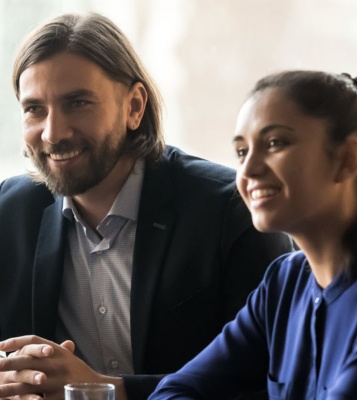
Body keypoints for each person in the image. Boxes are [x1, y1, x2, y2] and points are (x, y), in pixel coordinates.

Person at [0, 13, 293, 400]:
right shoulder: (10, 214)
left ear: (134, 106)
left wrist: (109, 391)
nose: (53, 132)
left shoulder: (231, 211)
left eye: (77, 103)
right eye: (34, 109)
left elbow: (278, 378)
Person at [149, 70, 357, 399]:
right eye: (241, 152)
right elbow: (175, 390)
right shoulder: (283, 282)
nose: (248, 170)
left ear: (347, 158)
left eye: (275, 143)